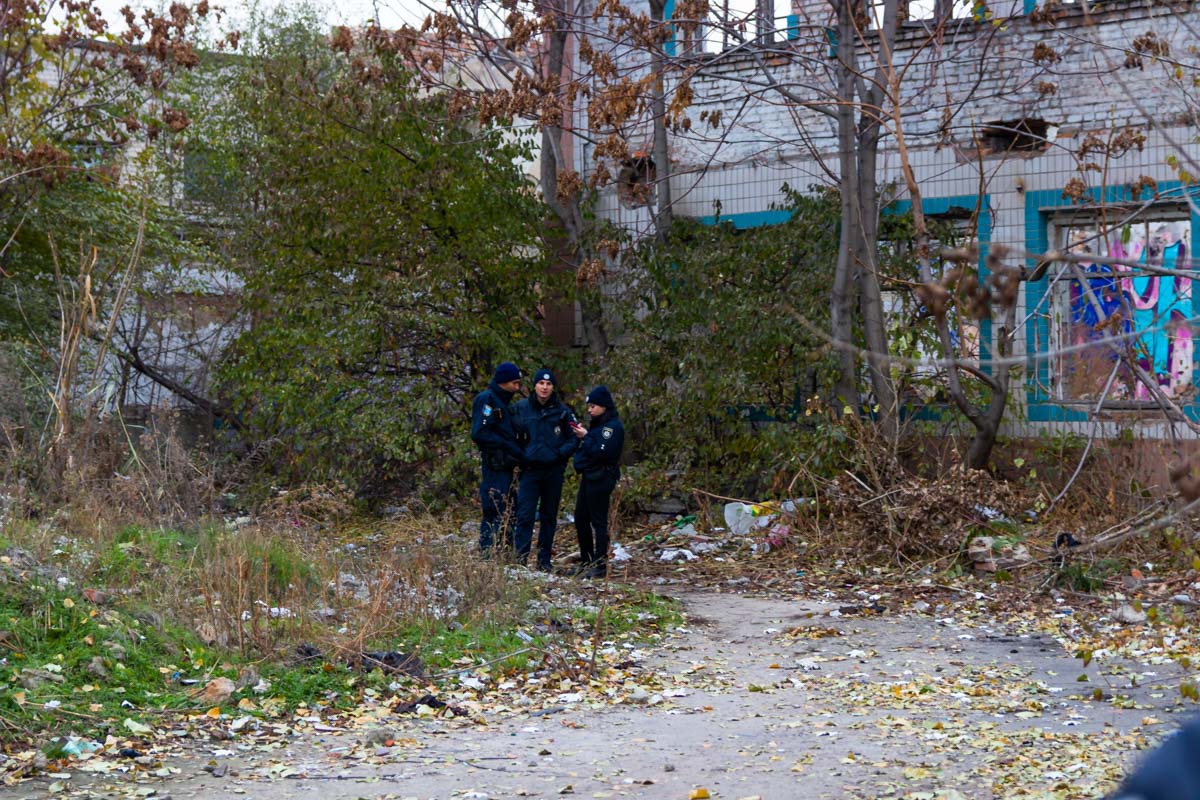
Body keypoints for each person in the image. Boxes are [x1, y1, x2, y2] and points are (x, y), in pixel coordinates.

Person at [512, 369, 579, 570]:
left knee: (549, 516)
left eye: (548, 384)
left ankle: (544, 562)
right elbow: (510, 435)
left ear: (553, 387)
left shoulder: (562, 411)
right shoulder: (520, 409)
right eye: (541, 383)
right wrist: (520, 456)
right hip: (530, 470)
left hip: (553, 471)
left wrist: (559, 454)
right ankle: (520, 561)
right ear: (534, 385)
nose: (544, 387)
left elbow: (574, 437)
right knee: (525, 515)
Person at [470, 362, 524, 556]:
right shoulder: (488, 400)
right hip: (495, 466)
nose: (517, 388)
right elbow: (480, 433)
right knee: (494, 509)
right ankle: (488, 553)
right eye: (514, 383)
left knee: (510, 509)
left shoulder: (504, 403)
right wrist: (508, 446)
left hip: (506, 466)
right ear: (503, 381)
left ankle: (505, 550)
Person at [571, 385, 625, 579]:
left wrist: (586, 437)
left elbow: (601, 452)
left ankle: (600, 564)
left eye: (593, 406)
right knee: (581, 517)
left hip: (601, 477)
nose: (590, 409)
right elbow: (587, 452)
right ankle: (586, 560)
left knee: (598, 522)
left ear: (603, 406)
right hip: (589, 476)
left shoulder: (612, 427)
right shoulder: (598, 425)